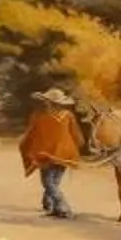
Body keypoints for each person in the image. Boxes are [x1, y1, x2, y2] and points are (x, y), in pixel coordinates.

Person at [20, 89, 83, 220]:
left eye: (49, 102)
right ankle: (54, 208)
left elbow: (31, 133)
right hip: (62, 153)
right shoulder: (67, 115)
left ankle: (64, 207)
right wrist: (78, 145)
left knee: (48, 182)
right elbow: (76, 135)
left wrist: (26, 145)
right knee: (53, 182)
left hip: (48, 153)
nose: (48, 104)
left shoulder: (40, 116)